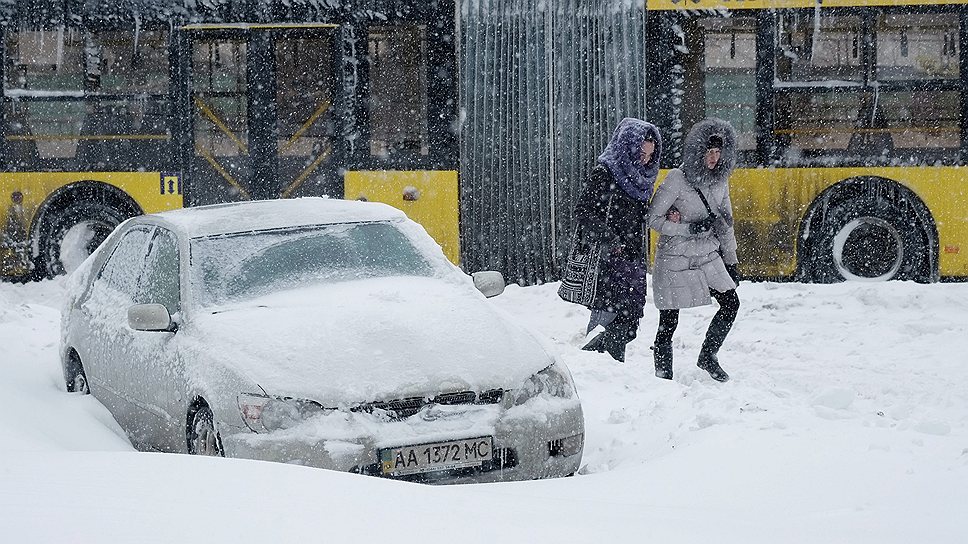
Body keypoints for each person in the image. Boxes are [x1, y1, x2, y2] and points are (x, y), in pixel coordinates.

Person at [647, 118, 741, 382]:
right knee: (668, 321)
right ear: (697, 151)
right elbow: (652, 219)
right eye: (709, 152)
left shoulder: (721, 181)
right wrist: (687, 229)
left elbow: (726, 224)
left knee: (731, 303)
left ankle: (708, 356)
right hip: (676, 257)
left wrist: (732, 261)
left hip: (707, 255)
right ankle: (663, 375)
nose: (713, 158)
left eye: (718, 152)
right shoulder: (677, 178)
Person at [573, 117, 662, 362]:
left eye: (650, 156)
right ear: (628, 146)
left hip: (633, 259)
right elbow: (583, 211)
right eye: (641, 154)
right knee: (612, 318)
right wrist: (611, 239)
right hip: (609, 259)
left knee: (631, 323)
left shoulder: (642, 180)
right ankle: (602, 367)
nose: (645, 160)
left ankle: (596, 360)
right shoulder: (606, 172)